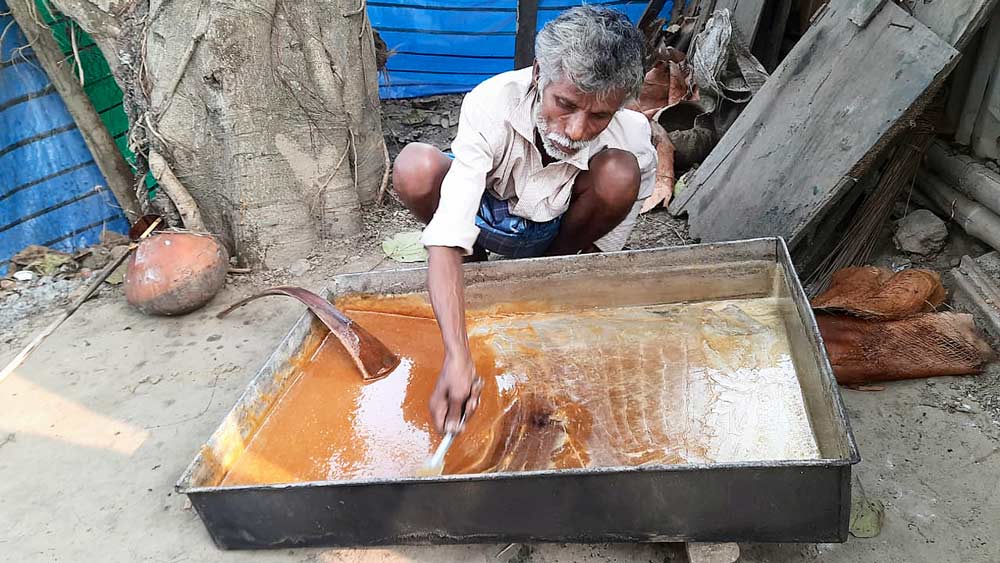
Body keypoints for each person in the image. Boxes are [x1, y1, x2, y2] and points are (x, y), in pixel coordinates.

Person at [391, 5, 657, 435]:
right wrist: (457, 355)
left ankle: (548, 272)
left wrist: (576, 285)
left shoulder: (631, 134)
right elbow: (445, 232)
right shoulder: (491, 103)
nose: (574, 130)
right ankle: (474, 266)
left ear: (619, 107)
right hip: (489, 215)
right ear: (538, 75)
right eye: (564, 104)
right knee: (415, 167)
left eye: (598, 116)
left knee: (620, 173)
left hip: (558, 230)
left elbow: (618, 224)